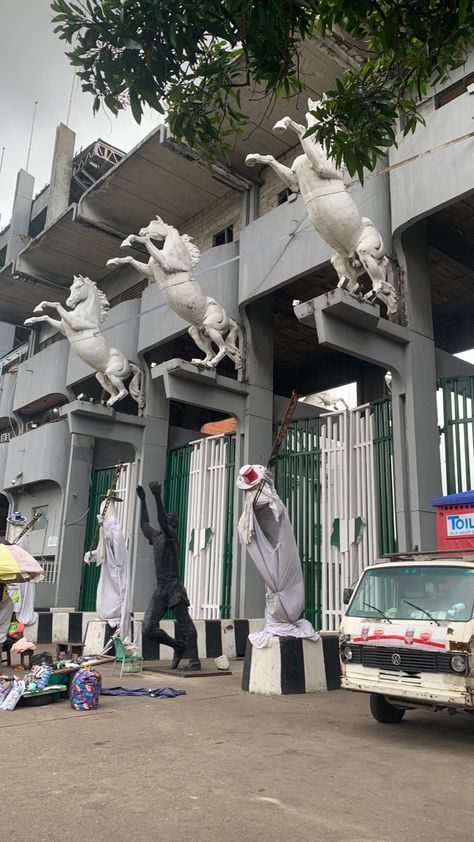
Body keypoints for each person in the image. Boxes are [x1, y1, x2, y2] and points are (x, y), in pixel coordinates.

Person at [136, 482, 201, 671]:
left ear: (174, 524)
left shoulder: (171, 536)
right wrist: (143, 500)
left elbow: (161, 520)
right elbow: (144, 524)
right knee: (148, 629)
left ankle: (194, 660)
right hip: (161, 588)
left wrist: (157, 496)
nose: (170, 517)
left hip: (173, 587)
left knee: (185, 624)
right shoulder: (155, 538)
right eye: (169, 516)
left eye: (173, 518)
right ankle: (177, 646)